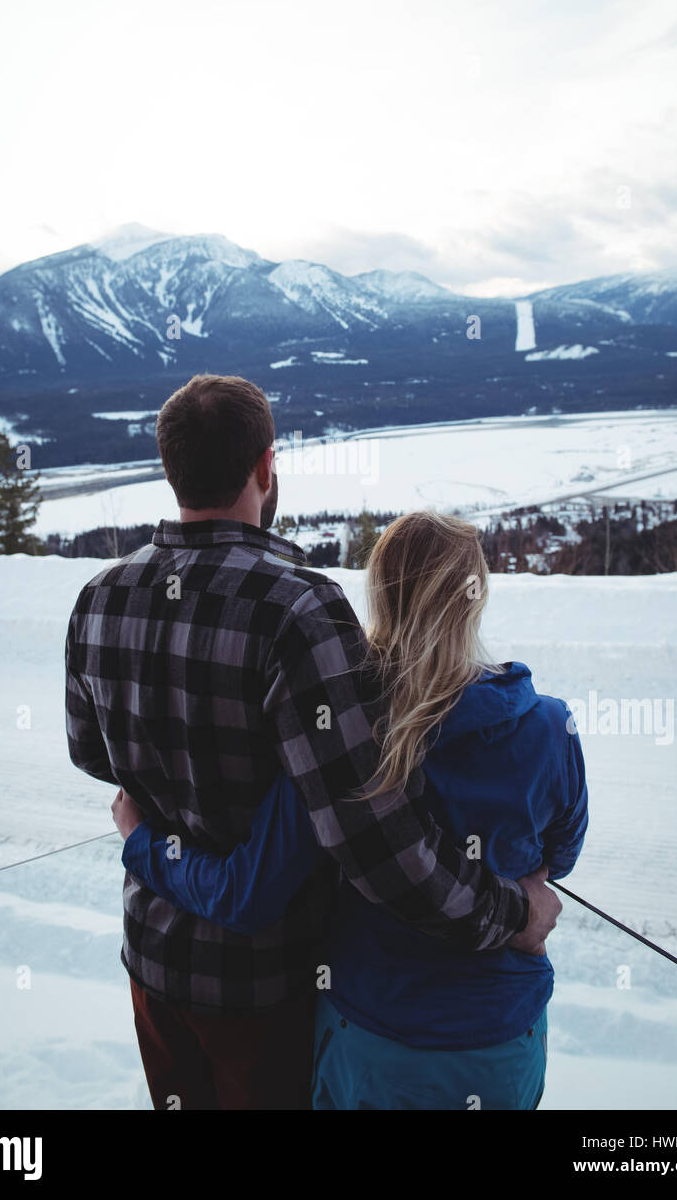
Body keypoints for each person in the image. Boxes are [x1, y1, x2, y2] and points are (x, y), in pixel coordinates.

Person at [67, 374, 560, 1111]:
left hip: (153, 966)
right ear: (266, 467)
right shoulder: (297, 606)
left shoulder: (99, 596)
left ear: (171, 469)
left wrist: (170, 801)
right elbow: (373, 839)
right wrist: (509, 917)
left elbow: (94, 754)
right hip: (264, 991)